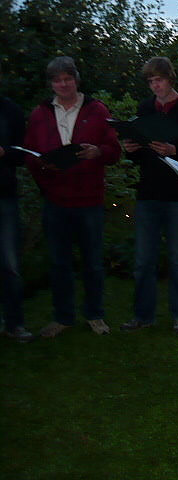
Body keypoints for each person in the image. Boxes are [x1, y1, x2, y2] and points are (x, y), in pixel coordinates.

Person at [24, 56, 121, 338]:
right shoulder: (40, 114)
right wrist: (43, 167)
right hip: (55, 200)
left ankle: (95, 314)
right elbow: (29, 153)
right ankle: (63, 317)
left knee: (92, 261)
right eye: (57, 80)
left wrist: (98, 152)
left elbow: (114, 151)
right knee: (59, 263)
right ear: (51, 84)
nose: (63, 84)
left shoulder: (97, 110)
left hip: (89, 200)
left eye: (67, 79)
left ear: (76, 80)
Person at [120, 57, 178, 334]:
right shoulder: (146, 108)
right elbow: (139, 152)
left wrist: (175, 151)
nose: (155, 85)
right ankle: (142, 315)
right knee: (144, 259)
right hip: (148, 192)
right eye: (150, 81)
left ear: (170, 78)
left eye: (159, 79)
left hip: (177, 193)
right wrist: (130, 149)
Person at [0, 67, 33, 342]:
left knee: (9, 264)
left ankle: (14, 324)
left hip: (4, 196)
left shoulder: (10, 110)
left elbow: (22, 154)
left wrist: (4, 152)